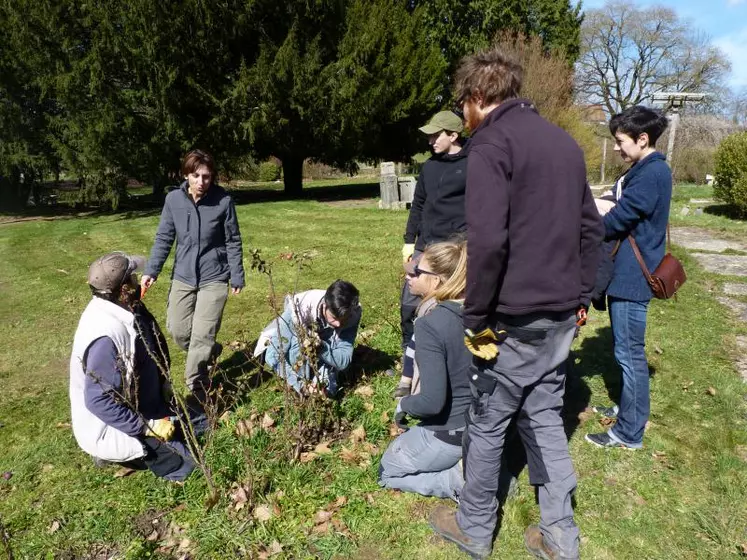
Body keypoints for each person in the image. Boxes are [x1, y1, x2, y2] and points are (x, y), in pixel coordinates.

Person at [428, 48, 603, 560]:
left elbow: (489, 244)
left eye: (463, 103)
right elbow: (592, 228)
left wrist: (477, 318)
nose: (462, 114)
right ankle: (560, 537)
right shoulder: (566, 144)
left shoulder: (490, 146)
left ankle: (474, 527)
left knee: (487, 421)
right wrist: (582, 296)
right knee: (546, 415)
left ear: (479, 98)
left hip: (512, 321)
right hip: (559, 314)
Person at [585, 106, 672, 450]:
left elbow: (616, 222)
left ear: (642, 138)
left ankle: (629, 433)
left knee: (629, 354)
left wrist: (589, 214)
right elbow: (623, 207)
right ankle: (628, 409)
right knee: (626, 351)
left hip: (633, 277)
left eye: (620, 142)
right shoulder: (644, 170)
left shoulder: (652, 174)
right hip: (629, 272)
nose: (617, 148)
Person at [69, 252, 195, 481]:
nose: (138, 281)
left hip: (145, 402)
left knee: (195, 425)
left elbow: (153, 343)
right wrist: (147, 427)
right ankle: (119, 455)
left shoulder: (126, 307)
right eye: (133, 278)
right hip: (114, 421)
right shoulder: (104, 339)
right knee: (185, 466)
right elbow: (98, 400)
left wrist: (163, 383)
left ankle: (155, 424)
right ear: (124, 289)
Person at [141, 149, 245, 401]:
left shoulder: (223, 202)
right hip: (183, 276)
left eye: (207, 176)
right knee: (177, 330)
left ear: (213, 177)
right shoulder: (173, 200)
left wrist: (237, 275)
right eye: (196, 175)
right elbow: (164, 237)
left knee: (202, 335)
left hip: (215, 277)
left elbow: (233, 240)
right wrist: (152, 270)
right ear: (186, 174)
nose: (201, 181)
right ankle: (211, 351)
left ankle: (196, 387)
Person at [379, 240, 471, 500]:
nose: (410, 274)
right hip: (483, 428)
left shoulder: (431, 325)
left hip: (451, 434)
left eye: (418, 271)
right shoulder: (477, 311)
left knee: (386, 473)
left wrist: (404, 405)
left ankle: (460, 482)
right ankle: (486, 471)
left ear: (438, 281)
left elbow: (432, 402)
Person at [400, 111, 468, 353]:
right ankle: (409, 354)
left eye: (435, 136)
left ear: (453, 135)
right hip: (425, 244)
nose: (430, 141)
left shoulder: (474, 163)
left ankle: (450, 354)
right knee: (408, 303)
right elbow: (418, 204)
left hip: (453, 248)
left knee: (448, 303)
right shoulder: (430, 166)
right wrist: (410, 241)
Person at [253, 280, 361, 397]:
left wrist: (321, 348)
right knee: (298, 342)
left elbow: (343, 360)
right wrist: (302, 386)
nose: (339, 324)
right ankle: (302, 387)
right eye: (334, 318)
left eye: (344, 318)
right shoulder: (297, 310)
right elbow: (272, 356)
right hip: (296, 361)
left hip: (324, 358)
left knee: (328, 393)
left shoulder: (353, 313)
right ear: (324, 306)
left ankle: (320, 388)